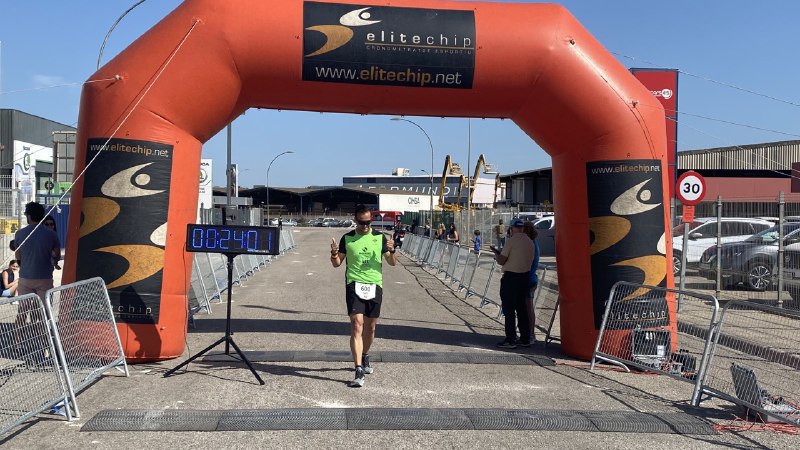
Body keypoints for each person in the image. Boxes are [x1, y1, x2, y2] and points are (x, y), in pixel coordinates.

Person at [330, 204, 397, 387]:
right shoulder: (348, 238)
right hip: (354, 284)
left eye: (368, 222)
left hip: (374, 285)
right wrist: (334, 253)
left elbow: (392, 263)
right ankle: (358, 367)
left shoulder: (379, 237)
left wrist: (392, 250)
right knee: (356, 325)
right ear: (355, 220)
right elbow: (337, 263)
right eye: (362, 222)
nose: (366, 226)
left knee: (371, 328)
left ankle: (365, 355)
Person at [490, 218, 534, 349]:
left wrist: (497, 255)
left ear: (512, 228)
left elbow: (502, 261)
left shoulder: (511, 241)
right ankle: (525, 337)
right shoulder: (530, 242)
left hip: (511, 277)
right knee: (522, 308)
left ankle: (511, 338)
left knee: (508, 309)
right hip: (524, 276)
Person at [14, 202, 61, 306]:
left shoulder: (19, 234)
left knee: (23, 309)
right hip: (45, 277)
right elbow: (57, 255)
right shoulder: (51, 234)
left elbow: (18, 256)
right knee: (44, 309)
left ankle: (22, 322)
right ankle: (42, 322)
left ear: (29, 216)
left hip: (25, 277)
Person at [523, 221, 541, 341]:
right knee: (527, 307)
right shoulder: (533, 243)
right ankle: (529, 333)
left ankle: (531, 334)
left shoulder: (530, 244)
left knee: (528, 308)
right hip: (530, 278)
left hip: (528, 279)